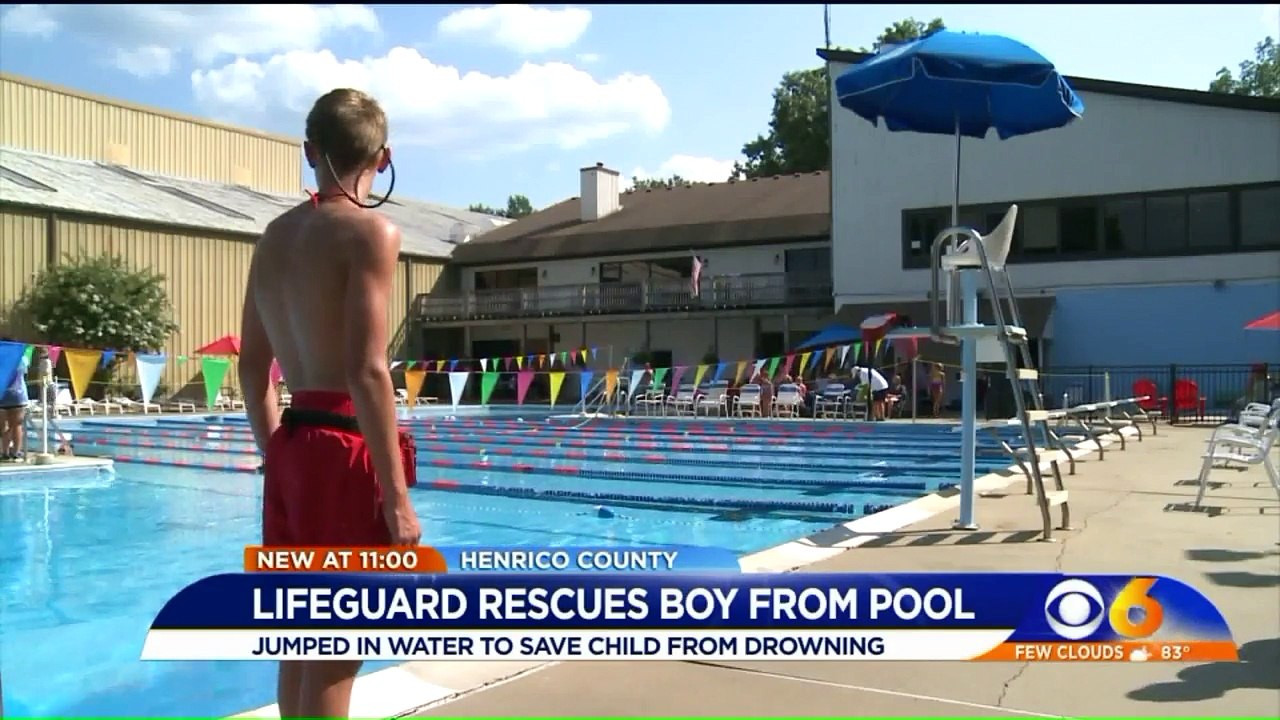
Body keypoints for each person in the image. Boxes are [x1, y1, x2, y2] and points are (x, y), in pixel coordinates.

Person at [238, 88, 422, 719]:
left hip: (293, 447)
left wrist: (278, 457)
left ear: (310, 151)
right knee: (338, 646)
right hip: (345, 452)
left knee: (301, 642)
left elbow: (252, 367)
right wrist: (396, 499)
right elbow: (366, 369)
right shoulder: (372, 232)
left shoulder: (273, 237)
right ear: (385, 155)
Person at [0, 339, 31, 461]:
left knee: (2, 426)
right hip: (17, 393)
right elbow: (24, 369)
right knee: (16, 425)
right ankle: (16, 452)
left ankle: (4, 452)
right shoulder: (21, 358)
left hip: (2, 393)